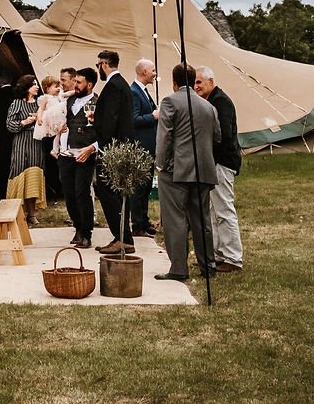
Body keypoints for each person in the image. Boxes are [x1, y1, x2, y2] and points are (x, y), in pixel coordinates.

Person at [153, 63, 218, 283]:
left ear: (174, 82)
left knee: (175, 220)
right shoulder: (208, 106)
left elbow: (164, 137)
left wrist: (160, 164)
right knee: (202, 220)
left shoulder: (170, 101)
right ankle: (208, 266)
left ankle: (179, 268)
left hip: (176, 171)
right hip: (204, 169)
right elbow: (217, 136)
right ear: (193, 80)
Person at [195, 66, 245, 274]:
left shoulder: (220, 102)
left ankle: (233, 257)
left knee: (223, 209)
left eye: (199, 82)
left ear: (210, 82)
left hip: (222, 162)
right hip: (213, 163)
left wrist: (207, 152)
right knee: (213, 210)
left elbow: (222, 135)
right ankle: (217, 254)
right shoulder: (210, 101)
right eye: (194, 82)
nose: (195, 86)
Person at [90, 50, 135, 253]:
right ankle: (123, 236)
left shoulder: (114, 87)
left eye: (98, 64)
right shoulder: (122, 85)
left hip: (112, 150)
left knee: (109, 193)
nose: (98, 68)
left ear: (104, 64)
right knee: (115, 194)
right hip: (118, 147)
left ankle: (122, 237)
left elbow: (110, 121)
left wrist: (101, 144)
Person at [60, 68, 99, 247]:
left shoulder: (98, 102)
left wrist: (92, 149)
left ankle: (87, 232)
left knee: (82, 193)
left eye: (79, 82)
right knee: (69, 193)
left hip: (85, 153)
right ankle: (77, 227)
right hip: (66, 152)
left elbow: (103, 131)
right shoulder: (71, 100)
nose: (75, 85)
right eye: (75, 81)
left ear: (89, 85)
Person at [4, 75, 48, 223]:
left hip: (36, 142)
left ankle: (32, 213)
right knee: (19, 173)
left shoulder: (39, 104)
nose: (36, 86)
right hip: (21, 142)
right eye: (33, 84)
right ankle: (16, 212)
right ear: (25, 87)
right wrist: (25, 122)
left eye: (36, 84)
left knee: (33, 175)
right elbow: (10, 125)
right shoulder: (17, 103)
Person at [129, 59, 160, 238]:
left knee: (146, 186)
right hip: (140, 147)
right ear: (144, 72)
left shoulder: (144, 91)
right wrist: (152, 116)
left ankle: (144, 220)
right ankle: (137, 224)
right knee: (139, 188)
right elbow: (133, 120)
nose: (155, 74)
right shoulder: (134, 92)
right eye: (153, 70)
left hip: (148, 147)